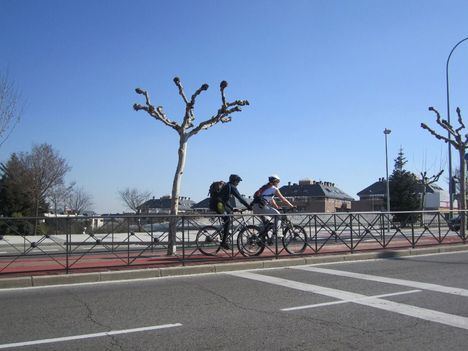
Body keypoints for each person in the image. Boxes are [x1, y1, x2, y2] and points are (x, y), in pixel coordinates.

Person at [215, 174, 252, 249]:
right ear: (234, 181)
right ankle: (224, 242)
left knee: (228, 218)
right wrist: (249, 206)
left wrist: (232, 208)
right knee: (227, 221)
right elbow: (240, 198)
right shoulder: (231, 187)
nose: (238, 183)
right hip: (219, 205)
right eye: (238, 181)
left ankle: (224, 233)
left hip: (220, 204)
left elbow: (225, 200)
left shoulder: (228, 186)